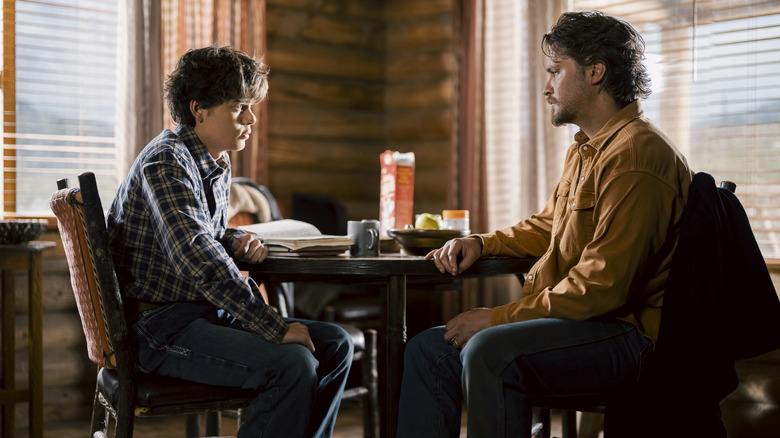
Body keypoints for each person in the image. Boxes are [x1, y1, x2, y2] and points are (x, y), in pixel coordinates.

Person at [396, 11, 694, 438]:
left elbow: (602, 288)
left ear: (595, 72)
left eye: (556, 71)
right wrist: (483, 242)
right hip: (589, 321)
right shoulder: (589, 148)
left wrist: (498, 318)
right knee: (429, 349)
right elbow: (549, 225)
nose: (546, 86)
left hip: (629, 336)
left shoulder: (636, 157)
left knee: (489, 351)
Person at [106, 45, 352, 438]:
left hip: (198, 315)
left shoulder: (212, 161)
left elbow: (206, 234)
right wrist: (272, 326)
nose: (251, 119)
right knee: (291, 364)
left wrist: (234, 239)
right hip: (158, 328)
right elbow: (197, 257)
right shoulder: (166, 162)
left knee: (335, 344)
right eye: (240, 107)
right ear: (198, 109)